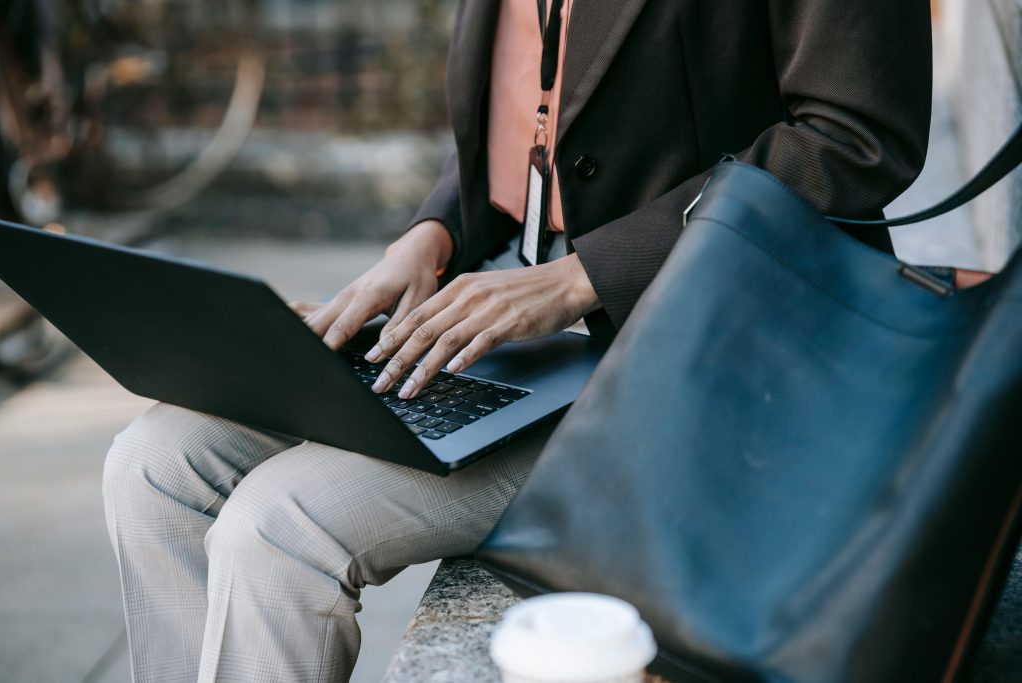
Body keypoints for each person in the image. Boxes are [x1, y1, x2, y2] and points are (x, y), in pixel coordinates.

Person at [102, 0, 933, 680]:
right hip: (508, 326)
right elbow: (535, 120)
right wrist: (431, 236)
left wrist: (580, 277)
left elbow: (856, 137)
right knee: (153, 463)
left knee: (277, 526)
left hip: (698, 353)